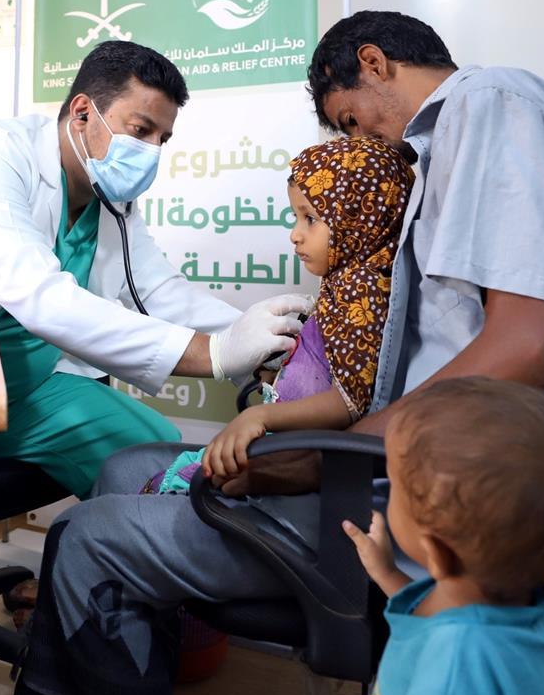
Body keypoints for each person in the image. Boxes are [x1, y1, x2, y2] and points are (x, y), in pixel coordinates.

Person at [6, 12, 544, 695]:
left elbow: (530, 346)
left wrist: (323, 455)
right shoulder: (438, 156)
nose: (365, 145)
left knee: (85, 536)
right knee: (124, 468)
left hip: (417, 491)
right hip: (386, 461)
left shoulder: (490, 105)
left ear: (374, 63)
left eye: (351, 119)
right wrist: (265, 366)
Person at [0, 40, 311, 497]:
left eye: (162, 139)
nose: (152, 151)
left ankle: (133, 545)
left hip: (22, 390)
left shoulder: (109, 197)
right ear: (83, 112)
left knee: (160, 459)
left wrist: (268, 343)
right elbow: (39, 296)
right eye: (141, 129)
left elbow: (159, 291)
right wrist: (215, 354)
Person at [344, 377, 544, 695]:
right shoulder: (521, 605)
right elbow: (446, 618)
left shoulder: (445, 692)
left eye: (394, 486)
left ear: (437, 553)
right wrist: (387, 573)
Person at [150, 136, 413, 494]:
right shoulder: (345, 282)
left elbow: (348, 402)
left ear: (357, 217)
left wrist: (260, 416)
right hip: (288, 441)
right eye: (296, 218)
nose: (295, 235)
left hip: (294, 453)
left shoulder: (363, 292)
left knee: (181, 484)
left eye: (311, 219)